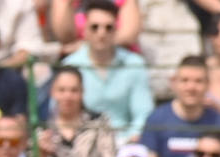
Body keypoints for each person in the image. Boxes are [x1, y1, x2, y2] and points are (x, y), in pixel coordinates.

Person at [61, 0, 154, 141]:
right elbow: (61, 114)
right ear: (84, 30)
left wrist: (130, 139)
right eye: (95, 27)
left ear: (116, 30)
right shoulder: (70, 65)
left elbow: (143, 114)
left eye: (108, 27)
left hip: (126, 143)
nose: (101, 33)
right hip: (81, 143)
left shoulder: (134, 63)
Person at [140, 56, 220, 157]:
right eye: (185, 80)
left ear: (208, 85)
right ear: (174, 83)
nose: (191, 87)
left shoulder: (219, 121)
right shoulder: (157, 119)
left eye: (198, 81)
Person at [38, 66, 117, 157]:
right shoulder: (43, 129)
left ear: (82, 92)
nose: (67, 96)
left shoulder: (99, 123)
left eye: (74, 90)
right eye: (61, 90)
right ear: (52, 92)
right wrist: (41, 155)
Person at [49, 0, 142, 47]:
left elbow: (128, 37)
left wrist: (85, 47)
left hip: (119, 58)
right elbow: (65, 37)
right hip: (76, 62)